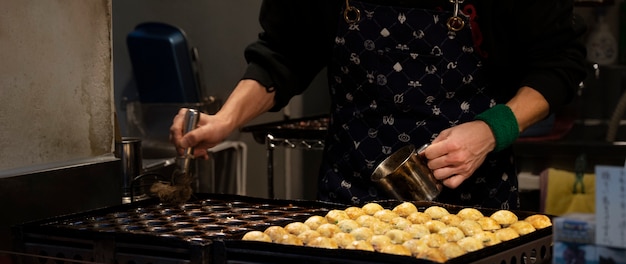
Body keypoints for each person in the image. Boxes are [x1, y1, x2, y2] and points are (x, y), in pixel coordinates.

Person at [169, 0, 587, 208]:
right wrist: (225, 119)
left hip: (474, 206)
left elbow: (560, 65)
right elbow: (283, 54)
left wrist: (493, 129)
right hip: (347, 203)